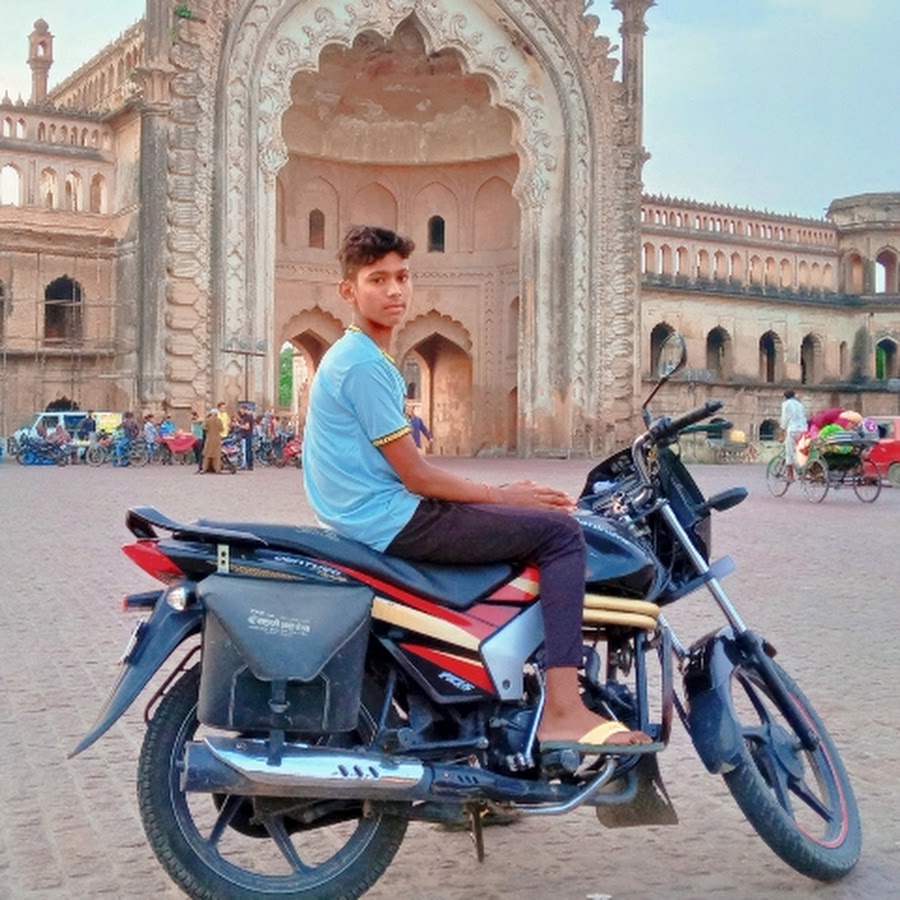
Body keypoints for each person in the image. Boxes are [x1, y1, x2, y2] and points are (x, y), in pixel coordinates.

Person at [302, 225, 651, 753]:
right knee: (560, 535)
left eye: (402, 277)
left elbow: (409, 471)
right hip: (391, 519)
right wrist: (501, 495)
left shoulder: (357, 357)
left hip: (373, 515)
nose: (395, 290)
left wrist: (494, 495)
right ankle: (563, 708)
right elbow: (417, 476)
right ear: (348, 290)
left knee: (516, 528)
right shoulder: (364, 366)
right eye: (378, 279)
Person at [780, 389, 808, 480]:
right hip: (803, 430)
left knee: (789, 453)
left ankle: (790, 476)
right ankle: (804, 471)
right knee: (802, 451)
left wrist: (782, 432)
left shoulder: (786, 404)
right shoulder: (800, 405)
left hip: (793, 430)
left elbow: (784, 419)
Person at [201, 408, 223, 473]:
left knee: (207, 455)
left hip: (209, 439)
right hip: (217, 439)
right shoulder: (219, 421)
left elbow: (203, 427)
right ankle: (217, 469)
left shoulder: (208, 420)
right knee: (217, 456)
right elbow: (221, 429)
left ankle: (204, 469)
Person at [237, 403, 255, 469]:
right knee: (248, 450)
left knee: (246, 450)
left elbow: (247, 427)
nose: (241, 412)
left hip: (247, 435)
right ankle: (249, 464)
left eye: (241, 410)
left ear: (244, 410)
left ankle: (247, 464)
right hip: (247, 435)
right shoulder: (247, 417)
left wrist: (239, 425)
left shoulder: (247, 417)